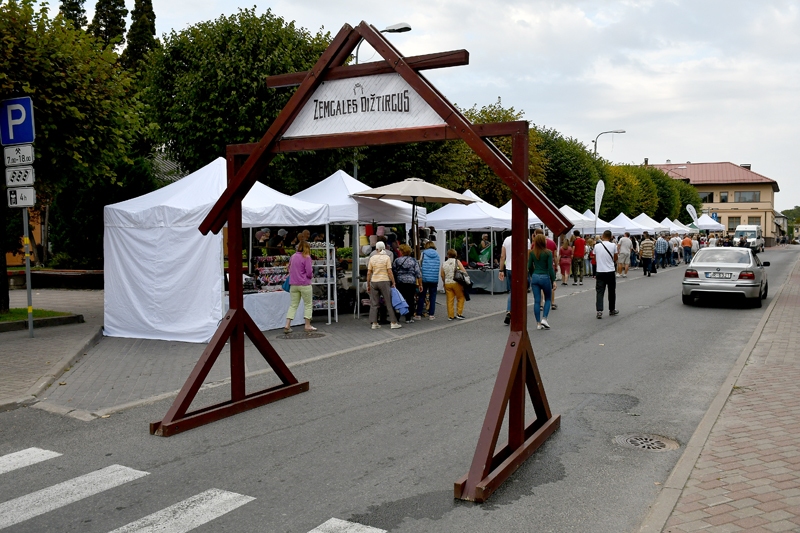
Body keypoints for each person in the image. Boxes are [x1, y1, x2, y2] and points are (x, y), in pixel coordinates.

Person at [367, 241, 402, 330]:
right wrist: (393, 282)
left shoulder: (372, 258)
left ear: (376, 249)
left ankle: (374, 323)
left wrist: (368, 284)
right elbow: (389, 271)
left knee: (374, 303)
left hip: (374, 281)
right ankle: (393, 322)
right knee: (388, 302)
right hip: (384, 280)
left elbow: (369, 272)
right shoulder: (387, 258)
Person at [498, 231, 531, 325]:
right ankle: (519, 310)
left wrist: (501, 270)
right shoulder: (526, 240)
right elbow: (528, 256)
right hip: (521, 268)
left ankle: (509, 310)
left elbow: (502, 256)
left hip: (509, 268)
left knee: (512, 291)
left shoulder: (507, 240)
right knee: (523, 289)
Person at [283, 241, 316, 333]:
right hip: (305, 284)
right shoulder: (307, 257)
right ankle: (307, 325)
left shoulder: (293, 256)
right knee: (308, 305)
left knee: (293, 305)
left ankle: (287, 324)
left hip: (293, 284)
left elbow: (289, 268)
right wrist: (309, 277)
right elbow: (309, 272)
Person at [528, 233, 556, 330]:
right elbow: (550, 268)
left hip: (535, 276)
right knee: (547, 298)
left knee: (536, 301)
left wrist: (533, 275)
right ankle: (544, 318)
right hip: (545, 277)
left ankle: (538, 323)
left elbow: (529, 267)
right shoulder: (548, 253)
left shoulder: (532, 253)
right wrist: (554, 280)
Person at [393, 244, 422, 324]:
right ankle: (408, 318)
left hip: (400, 282)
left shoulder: (397, 260)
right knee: (410, 300)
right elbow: (418, 273)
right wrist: (420, 284)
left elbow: (394, 271)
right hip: (411, 283)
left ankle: (397, 317)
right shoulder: (413, 261)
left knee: (399, 300)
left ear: (402, 251)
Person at [594, 230, 619, 319]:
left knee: (600, 291)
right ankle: (612, 309)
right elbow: (616, 257)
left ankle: (599, 310)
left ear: (603, 235)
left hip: (600, 271)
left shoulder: (596, 246)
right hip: (610, 271)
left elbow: (595, 257)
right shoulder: (613, 246)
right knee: (611, 291)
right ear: (611, 236)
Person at [416, 241, 440, 320]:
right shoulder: (437, 254)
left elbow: (420, 264)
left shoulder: (423, 254)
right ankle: (431, 315)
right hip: (434, 278)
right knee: (432, 297)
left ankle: (418, 314)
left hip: (425, 278)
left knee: (422, 296)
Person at [441, 248, 467, 320]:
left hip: (447, 283)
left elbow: (442, 274)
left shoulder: (444, 263)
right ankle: (459, 313)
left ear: (448, 255)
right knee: (460, 297)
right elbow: (463, 271)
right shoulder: (457, 261)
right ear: (455, 255)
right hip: (456, 282)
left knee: (449, 300)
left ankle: (450, 316)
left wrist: (444, 282)